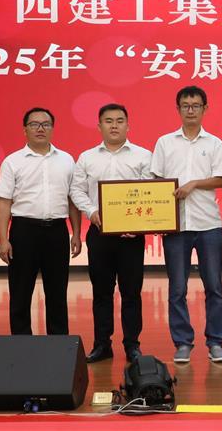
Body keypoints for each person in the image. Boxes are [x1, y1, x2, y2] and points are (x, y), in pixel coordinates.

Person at [151, 86, 222, 363]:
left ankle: (216, 342)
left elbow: (220, 179)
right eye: (185, 105)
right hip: (176, 227)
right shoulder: (164, 143)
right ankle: (183, 342)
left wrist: (193, 183)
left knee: (214, 287)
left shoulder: (215, 143)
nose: (191, 110)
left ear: (205, 109)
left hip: (208, 224)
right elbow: (156, 180)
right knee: (177, 289)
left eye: (196, 105)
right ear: (178, 109)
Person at [70, 104, 152, 363]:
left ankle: (132, 346)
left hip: (132, 237)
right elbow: (76, 190)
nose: (114, 125)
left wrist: (137, 223)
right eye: (108, 121)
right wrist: (92, 211)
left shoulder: (143, 156)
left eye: (119, 120)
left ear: (128, 125)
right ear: (99, 126)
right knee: (102, 292)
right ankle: (102, 344)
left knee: (131, 293)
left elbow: (151, 190)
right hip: (100, 233)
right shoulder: (87, 158)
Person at [0, 107, 81, 335]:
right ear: (25, 130)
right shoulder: (12, 161)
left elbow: (73, 200)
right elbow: (4, 203)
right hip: (24, 232)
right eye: (34, 124)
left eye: (46, 124)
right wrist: (3, 240)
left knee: (57, 293)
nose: (40, 128)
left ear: (52, 128)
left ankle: (58, 344)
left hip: (57, 231)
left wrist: (76, 233)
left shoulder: (67, 160)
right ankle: (22, 343)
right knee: (20, 293)